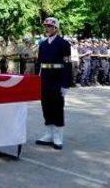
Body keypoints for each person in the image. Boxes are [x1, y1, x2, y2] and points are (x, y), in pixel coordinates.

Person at [35, 17, 71, 150]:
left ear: (56, 28)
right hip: (45, 76)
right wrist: (35, 79)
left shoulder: (64, 44)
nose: (47, 29)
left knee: (57, 106)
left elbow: (67, 64)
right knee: (46, 104)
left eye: (50, 26)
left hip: (57, 77)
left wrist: (66, 84)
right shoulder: (43, 44)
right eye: (46, 26)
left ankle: (58, 136)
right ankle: (48, 133)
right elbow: (38, 63)